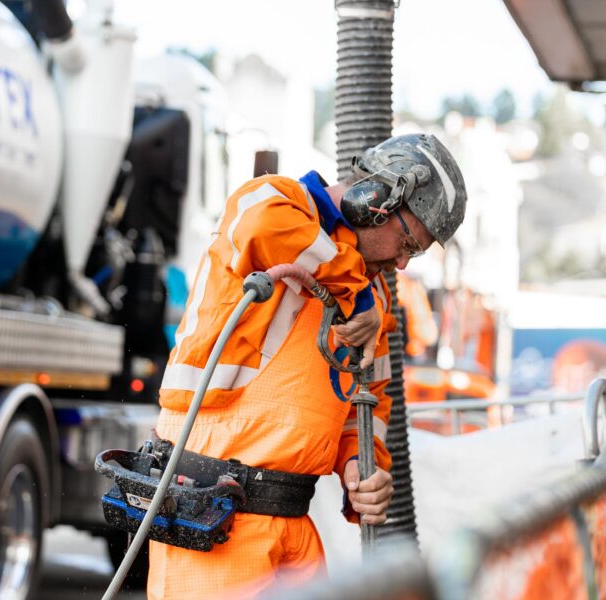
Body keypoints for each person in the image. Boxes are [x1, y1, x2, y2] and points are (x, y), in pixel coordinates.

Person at [147, 133, 467, 599]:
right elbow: (264, 227)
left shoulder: (371, 300)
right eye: (406, 241)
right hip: (212, 520)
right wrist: (353, 294)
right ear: (374, 198)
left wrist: (362, 469)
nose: (401, 264)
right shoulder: (272, 201)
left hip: (292, 526)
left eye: (412, 254)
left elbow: (366, 411)